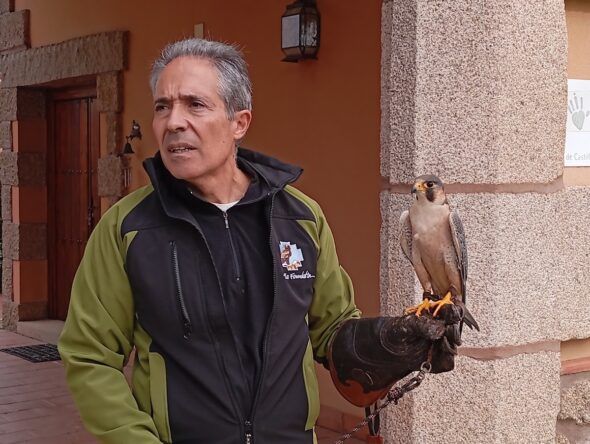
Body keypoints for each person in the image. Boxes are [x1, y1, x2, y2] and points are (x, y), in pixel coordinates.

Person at [58, 38, 460, 444]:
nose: (173, 121)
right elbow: (90, 355)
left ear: (239, 122)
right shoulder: (128, 228)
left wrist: (386, 344)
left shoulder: (301, 218)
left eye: (195, 105)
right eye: (163, 106)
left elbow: (332, 329)